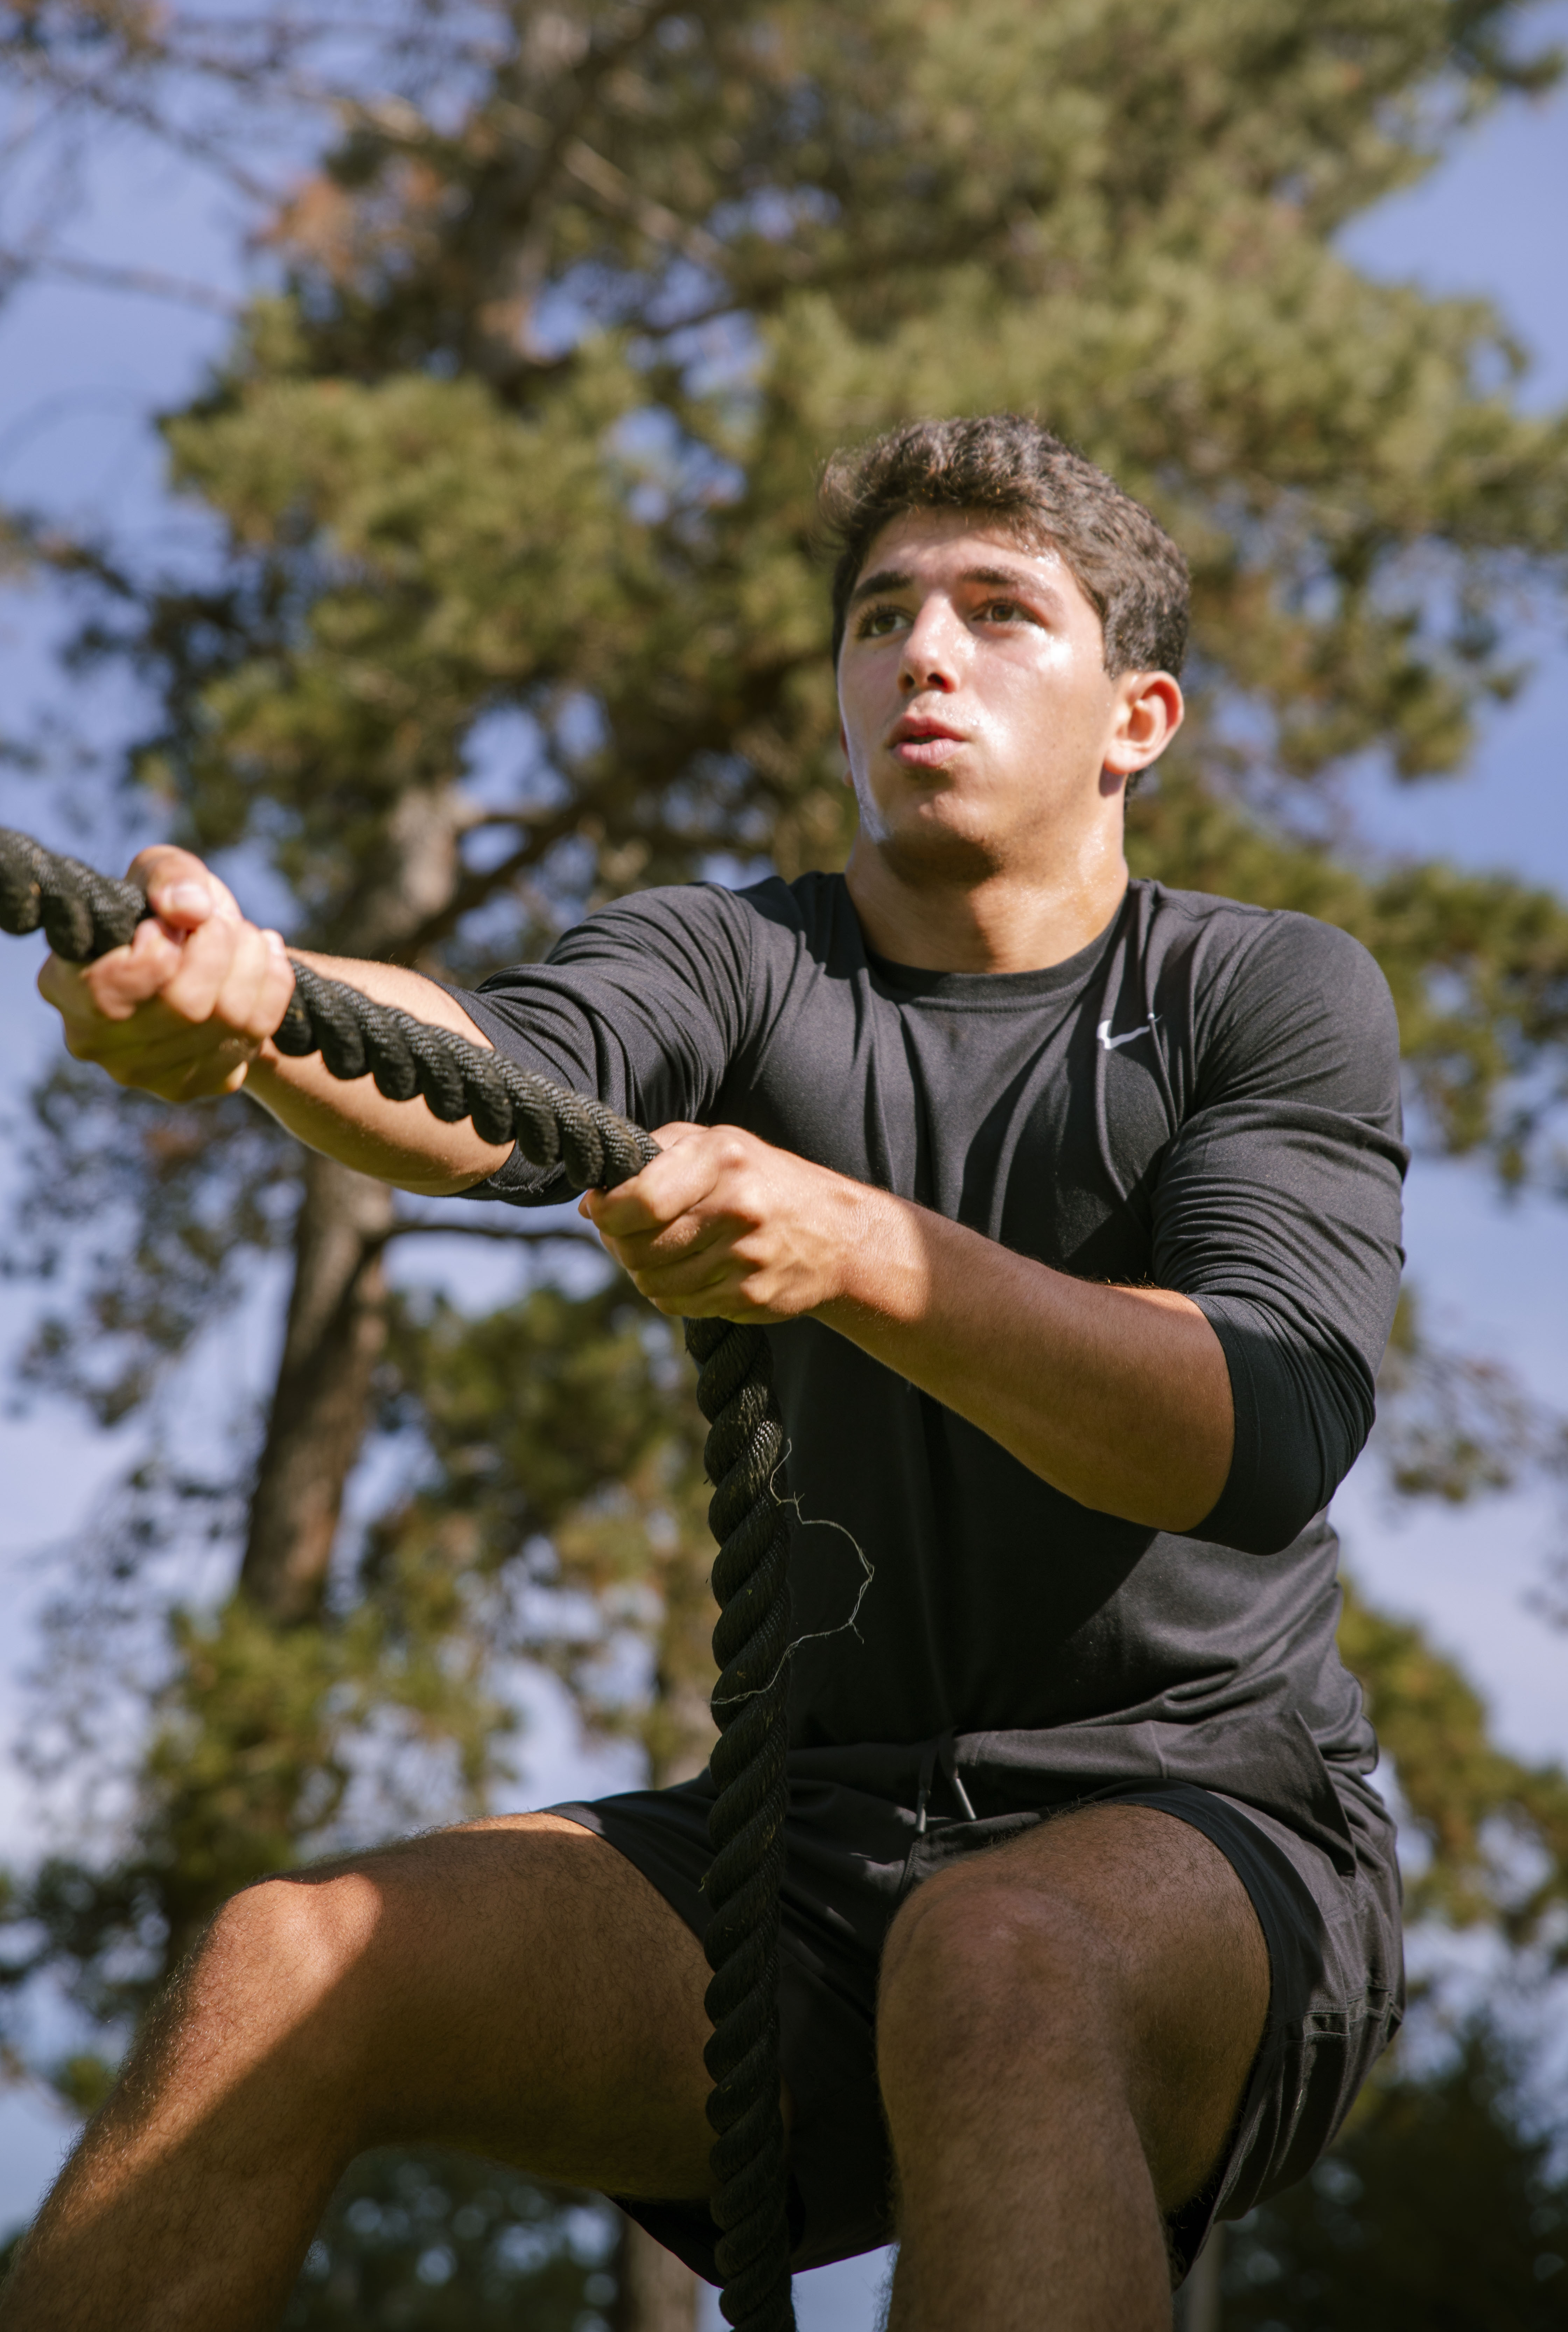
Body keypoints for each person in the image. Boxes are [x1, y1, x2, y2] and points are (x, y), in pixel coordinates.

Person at [3, 416, 1406, 2332]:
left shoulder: (1261, 991)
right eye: (883, 614)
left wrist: (861, 1252)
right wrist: (255, 1007)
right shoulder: (736, 959)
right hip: (810, 1874)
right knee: (284, 1962)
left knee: (996, 1961)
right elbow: (487, 1080)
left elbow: (1257, 1424)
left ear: (1136, 718)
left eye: (1002, 613)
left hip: (1216, 1838)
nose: (923, 651)